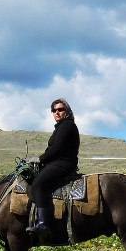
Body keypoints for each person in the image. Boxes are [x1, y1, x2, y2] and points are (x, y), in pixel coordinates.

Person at [26, 98, 80, 235]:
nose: (57, 112)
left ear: (67, 111)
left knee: (38, 184)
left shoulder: (67, 126)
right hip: (58, 163)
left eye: (60, 109)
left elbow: (56, 149)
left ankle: (44, 224)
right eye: (54, 110)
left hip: (63, 164)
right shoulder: (61, 127)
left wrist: (39, 159)